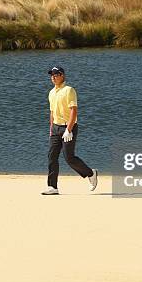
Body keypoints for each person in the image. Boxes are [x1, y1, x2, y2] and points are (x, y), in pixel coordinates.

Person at [42, 66, 98, 195]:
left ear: (62, 75)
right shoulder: (51, 92)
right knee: (52, 157)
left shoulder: (69, 90)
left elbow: (74, 111)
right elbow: (52, 112)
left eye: (56, 75)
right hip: (55, 128)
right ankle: (52, 187)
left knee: (69, 158)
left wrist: (69, 129)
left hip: (68, 128)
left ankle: (90, 173)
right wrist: (51, 129)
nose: (53, 77)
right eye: (52, 75)